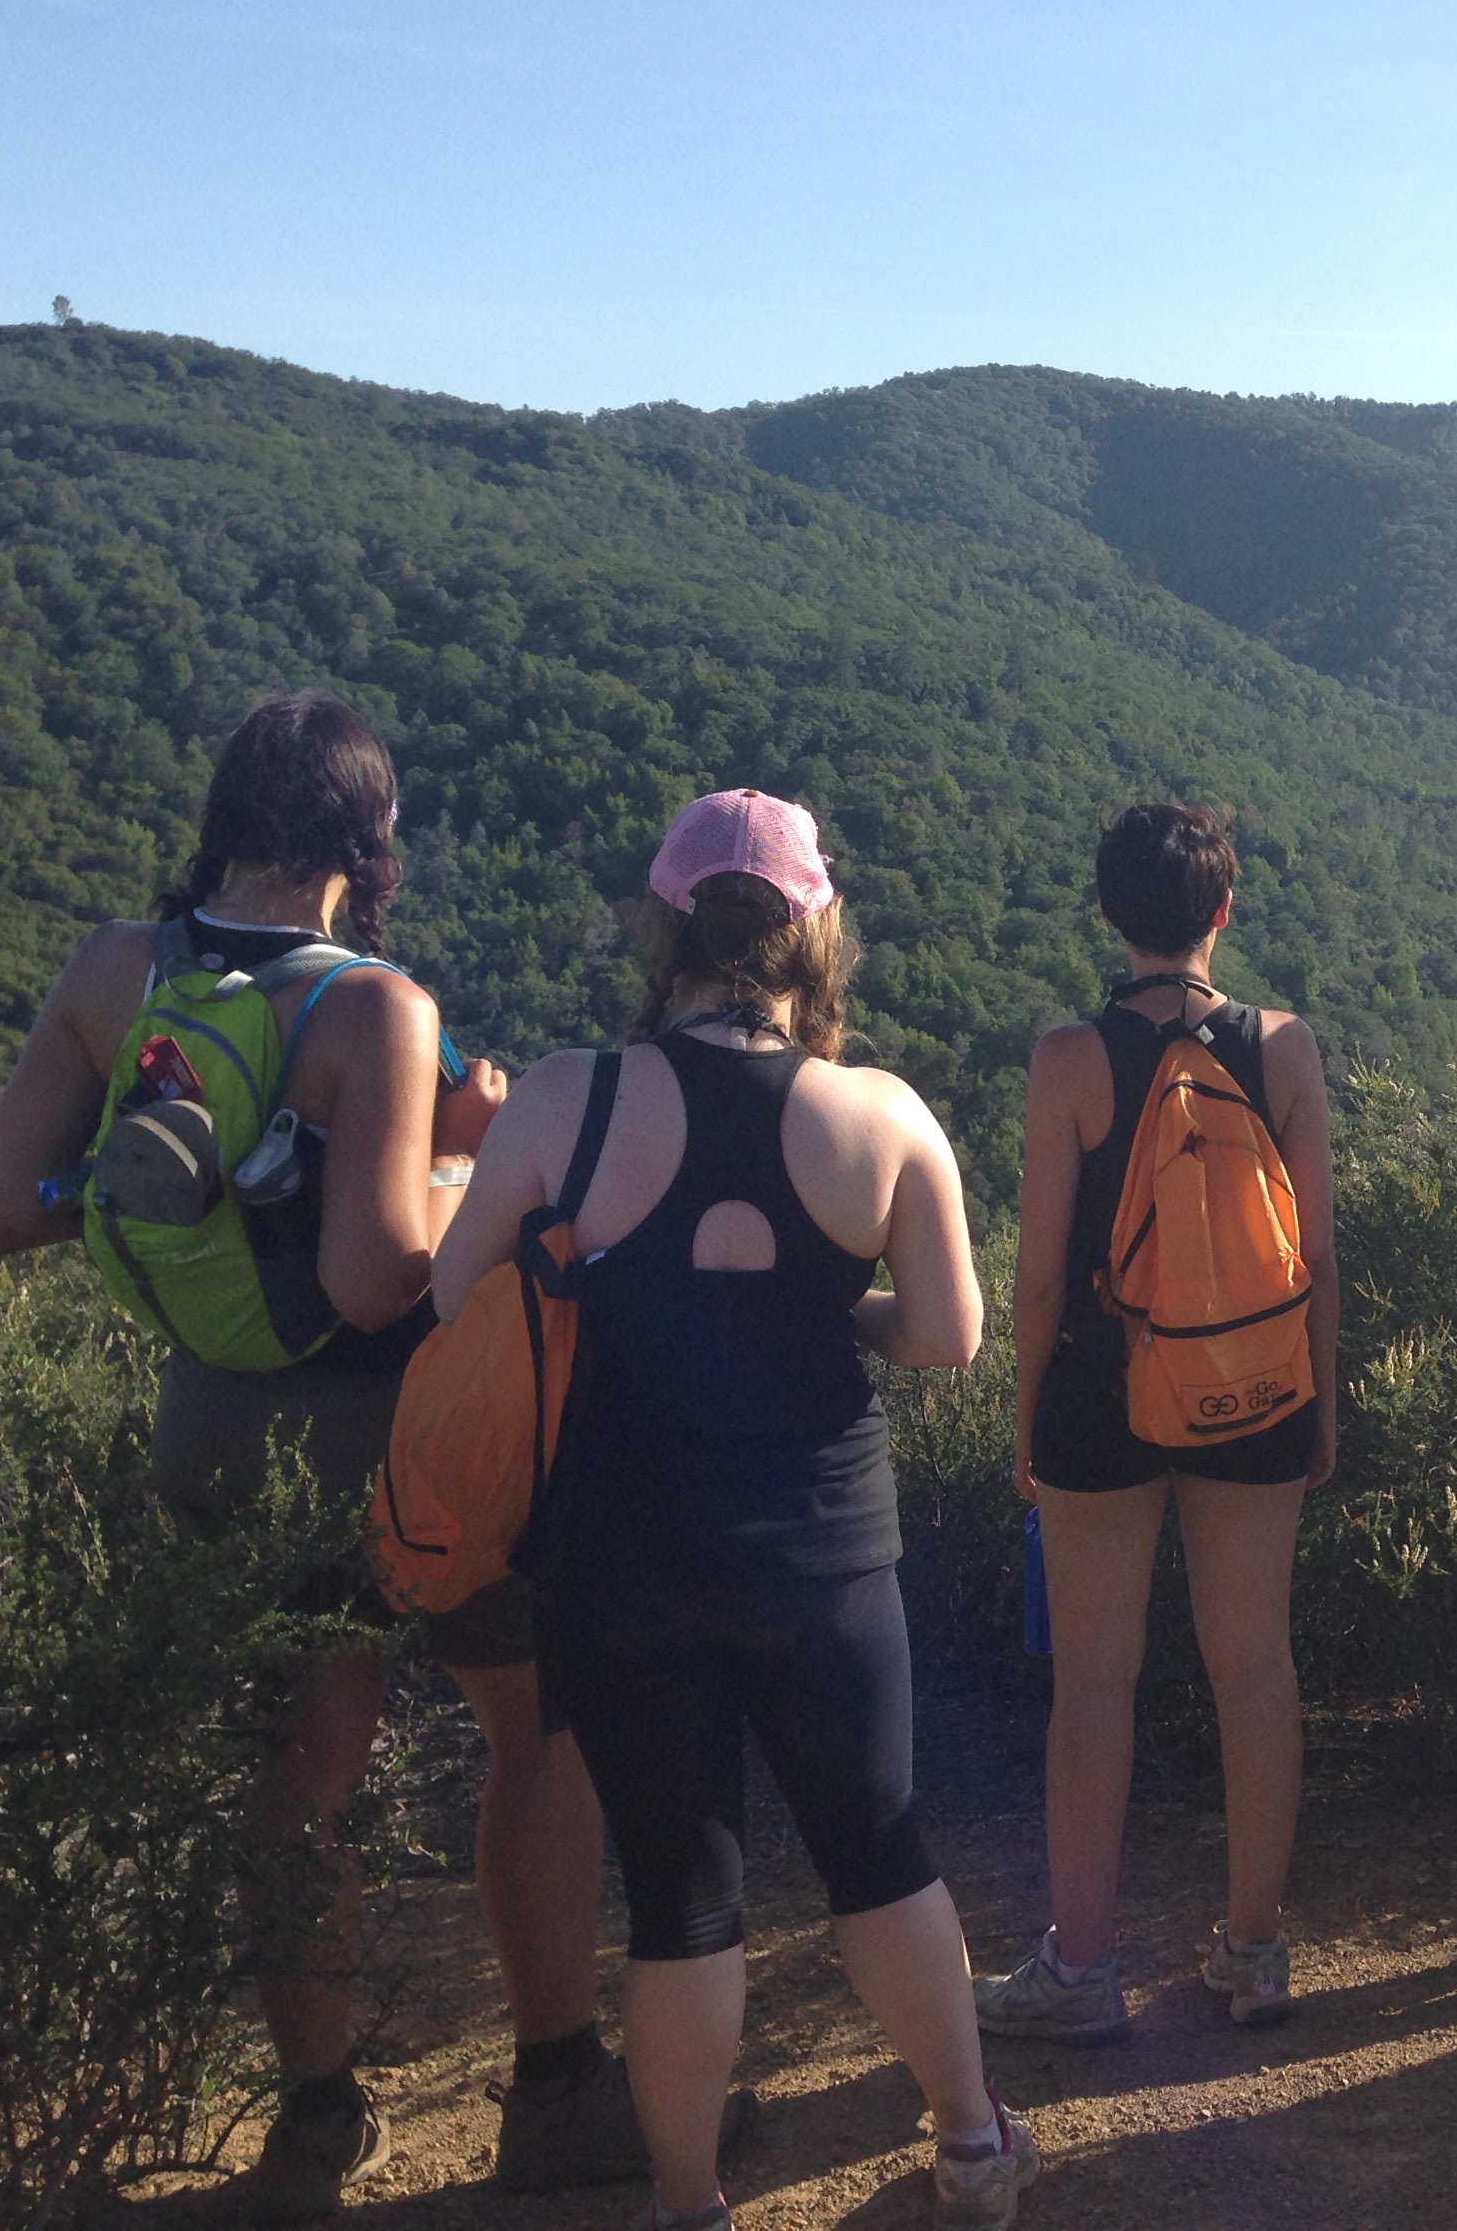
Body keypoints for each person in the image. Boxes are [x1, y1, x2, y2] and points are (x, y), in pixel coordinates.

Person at [0, 691, 647, 2222]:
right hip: (405, 1442)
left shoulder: (114, 975)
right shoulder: (371, 1010)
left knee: (299, 1775)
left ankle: (317, 2121)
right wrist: (470, 1175)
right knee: (536, 1734)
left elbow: (3, 1208)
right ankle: (556, 2091)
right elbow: (371, 1281)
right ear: (364, 840)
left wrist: (164, 1192)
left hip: (212, 1425)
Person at [435, 790, 1036, 2231]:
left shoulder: (568, 1103)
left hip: (625, 1557)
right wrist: (826, 1306)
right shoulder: (881, 1115)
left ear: (667, 921)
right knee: (878, 1852)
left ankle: (689, 2201)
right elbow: (951, 1335)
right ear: (814, 928)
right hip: (821, 1554)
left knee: (680, 1902)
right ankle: (969, 2145)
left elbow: (459, 1299)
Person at [974, 803, 1337, 2046]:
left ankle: (1081, 1973)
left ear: (1109, 913)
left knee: (1095, 1686)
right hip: (1259, 1383)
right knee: (1256, 1668)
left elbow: (1033, 1274)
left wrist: (1025, 1419)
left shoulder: (1070, 1058)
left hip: (1101, 1386)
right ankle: (1255, 1953)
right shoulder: (1283, 1047)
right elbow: (1320, 1257)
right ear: (1223, 913)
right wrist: (1319, 1403)